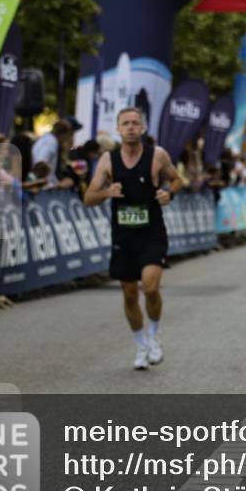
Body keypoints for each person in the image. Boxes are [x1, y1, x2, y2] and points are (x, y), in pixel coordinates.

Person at [84, 107, 183, 370]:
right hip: (123, 237)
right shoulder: (108, 160)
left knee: (150, 288)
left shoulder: (157, 155)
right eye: (125, 123)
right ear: (118, 129)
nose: (130, 127)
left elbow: (177, 180)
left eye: (135, 123)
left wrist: (168, 193)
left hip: (152, 234)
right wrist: (106, 193)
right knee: (129, 295)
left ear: (143, 128)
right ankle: (141, 345)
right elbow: (88, 198)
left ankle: (155, 334)